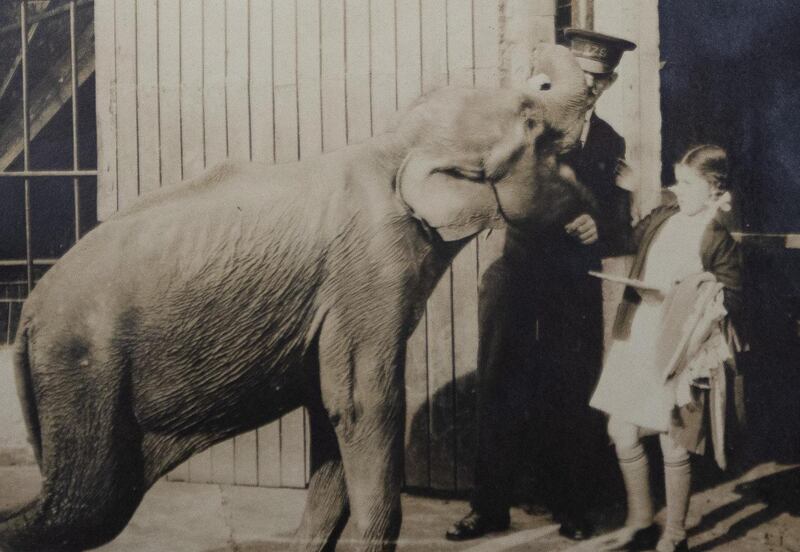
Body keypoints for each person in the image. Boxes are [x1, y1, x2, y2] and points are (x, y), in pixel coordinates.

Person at [446, 28, 637, 542]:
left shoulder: (610, 141)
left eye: (597, 79)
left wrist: (601, 227)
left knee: (569, 390)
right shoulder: (527, 120)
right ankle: (488, 508)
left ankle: (570, 507)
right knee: (498, 385)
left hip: (572, 282)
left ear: (610, 82)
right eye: (580, 75)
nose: (588, 87)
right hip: (517, 272)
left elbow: (621, 217)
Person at [590, 145, 742, 552]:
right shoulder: (663, 216)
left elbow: (733, 296)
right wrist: (624, 194)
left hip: (682, 346)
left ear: (714, 188)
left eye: (688, 183)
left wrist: (695, 294)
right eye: (678, 180)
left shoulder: (718, 237)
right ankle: (640, 520)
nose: (678, 190)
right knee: (621, 429)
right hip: (637, 334)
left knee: (674, 438)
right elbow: (625, 238)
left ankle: (674, 532)